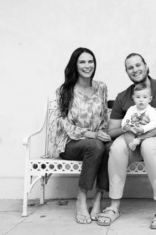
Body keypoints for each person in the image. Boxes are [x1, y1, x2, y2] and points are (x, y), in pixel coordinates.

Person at [97, 53, 156, 229]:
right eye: (130, 67)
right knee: (116, 148)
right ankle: (114, 206)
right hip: (135, 139)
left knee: (150, 145)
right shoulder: (123, 97)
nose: (135, 69)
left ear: (146, 66)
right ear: (126, 72)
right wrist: (129, 127)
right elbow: (112, 130)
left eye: (138, 65)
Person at [53, 47, 111, 224]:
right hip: (70, 143)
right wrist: (91, 134)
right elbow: (64, 123)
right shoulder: (64, 90)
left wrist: (101, 132)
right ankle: (82, 198)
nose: (87, 65)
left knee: (108, 147)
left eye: (90, 61)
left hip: (94, 141)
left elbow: (103, 116)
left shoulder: (101, 87)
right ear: (75, 65)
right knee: (95, 145)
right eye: (82, 62)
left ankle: (99, 199)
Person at [121, 83, 156, 150]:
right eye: (138, 97)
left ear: (150, 99)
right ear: (133, 98)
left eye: (144, 97)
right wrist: (127, 127)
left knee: (155, 130)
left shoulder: (151, 110)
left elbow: (155, 122)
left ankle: (139, 140)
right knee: (127, 133)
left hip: (146, 131)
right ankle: (131, 144)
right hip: (134, 130)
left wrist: (144, 128)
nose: (141, 100)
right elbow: (125, 120)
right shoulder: (131, 109)